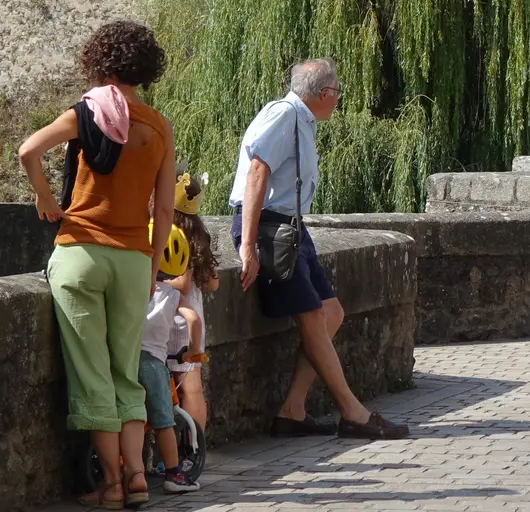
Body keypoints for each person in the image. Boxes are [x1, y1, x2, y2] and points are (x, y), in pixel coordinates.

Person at [18, 20, 177, 510]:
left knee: (93, 375)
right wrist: (153, 267)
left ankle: (109, 485)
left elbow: (28, 150)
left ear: (99, 62)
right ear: (145, 68)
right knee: (126, 372)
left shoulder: (86, 113)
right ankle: (137, 476)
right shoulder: (157, 125)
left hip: (81, 254)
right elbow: (166, 211)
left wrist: (46, 199)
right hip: (133, 260)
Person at [232, 59, 409, 439]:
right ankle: (354, 413)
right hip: (269, 228)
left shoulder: (300, 119)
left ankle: (292, 411)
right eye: (337, 92)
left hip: (291, 227)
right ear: (325, 93)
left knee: (331, 313)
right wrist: (247, 245)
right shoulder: (284, 115)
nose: (338, 99)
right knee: (313, 317)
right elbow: (257, 173)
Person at [143, 226, 199, 494]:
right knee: (164, 421)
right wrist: (192, 350)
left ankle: (127, 471)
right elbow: (193, 319)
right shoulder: (173, 294)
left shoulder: (135, 286)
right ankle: (174, 474)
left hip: (126, 358)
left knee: (130, 417)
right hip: (154, 363)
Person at [169, 170, 218, 434]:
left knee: (182, 386)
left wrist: (154, 282)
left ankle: (185, 450)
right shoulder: (198, 233)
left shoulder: (173, 234)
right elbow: (212, 283)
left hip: (176, 318)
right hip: (193, 315)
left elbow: (182, 283)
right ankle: (196, 447)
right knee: (193, 386)